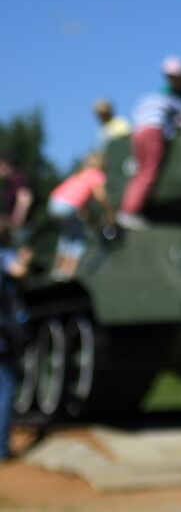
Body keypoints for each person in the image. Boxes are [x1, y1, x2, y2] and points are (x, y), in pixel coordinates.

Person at [118, 57, 181, 230]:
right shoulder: (167, 97)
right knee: (149, 173)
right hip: (154, 132)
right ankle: (130, 212)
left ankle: (127, 209)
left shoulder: (147, 98)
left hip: (138, 132)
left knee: (141, 173)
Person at [46, 153, 115, 279]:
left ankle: (57, 270)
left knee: (67, 235)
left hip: (53, 203)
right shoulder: (96, 174)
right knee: (79, 238)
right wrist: (110, 211)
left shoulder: (80, 174)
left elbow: (82, 204)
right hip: (67, 207)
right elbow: (101, 196)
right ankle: (68, 274)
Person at [0, 233, 30, 461]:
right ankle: (1, 448)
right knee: (6, 386)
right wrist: (25, 260)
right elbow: (18, 271)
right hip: (3, 333)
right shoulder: (4, 255)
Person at [0, 157, 34, 230]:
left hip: (17, 230)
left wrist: (14, 225)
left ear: (7, 166)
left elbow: (24, 201)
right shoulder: (10, 182)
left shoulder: (19, 181)